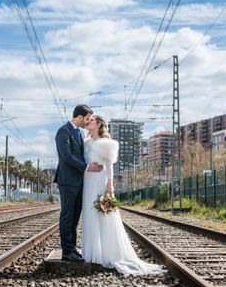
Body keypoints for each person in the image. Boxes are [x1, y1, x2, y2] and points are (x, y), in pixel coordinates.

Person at [81, 114, 164, 275]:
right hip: (88, 181)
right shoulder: (84, 142)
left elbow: (109, 165)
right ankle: (92, 253)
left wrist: (110, 185)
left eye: (91, 120)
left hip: (101, 181)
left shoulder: (107, 143)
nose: (88, 122)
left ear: (98, 124)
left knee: (104, 216)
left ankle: (106, 253)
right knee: (90, 215)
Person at [54, 105, 103, 262]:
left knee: (75, 217)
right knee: (67, 216)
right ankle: (66, 251)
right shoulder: (63, 131)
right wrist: (88, 167)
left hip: (80, 182)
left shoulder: (80, 133)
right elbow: (66, 156)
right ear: (80, 117)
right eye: (87, 118)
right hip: (67, 181)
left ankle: (72, 249)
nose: (88, 121)